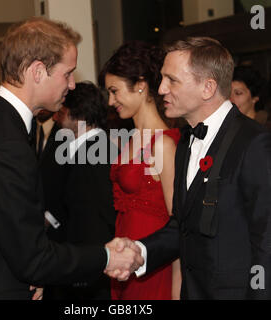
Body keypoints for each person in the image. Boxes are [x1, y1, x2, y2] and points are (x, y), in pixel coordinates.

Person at [0, 17, 142, 300]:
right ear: (38, 71)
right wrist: (107, 257)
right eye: (67, 73)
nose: (73, 85)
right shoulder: (7, 144)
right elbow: (34, 258)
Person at [109, 37, 271, 299]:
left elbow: (267, 243)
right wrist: (140, 252)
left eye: (171, 80)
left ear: (207, 87)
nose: (160, 89)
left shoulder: (254, 143)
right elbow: (182, 227)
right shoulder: (185, 142)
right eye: (162, 78)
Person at [99, 41, 182, 300]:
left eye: (115, 91)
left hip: (154, 268)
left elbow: (179, 226)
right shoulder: (131, 138)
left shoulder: (164, 144)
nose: (111, 101)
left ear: (141, 85)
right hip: (125, 264)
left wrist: (177, 290)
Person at [44, 81, 117, 300]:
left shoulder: (95, 155)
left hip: (89, 276)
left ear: (79, 116)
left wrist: (82, 275)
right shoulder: (85, 149)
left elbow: (93, 223)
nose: (56, 118)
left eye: (62, 112)